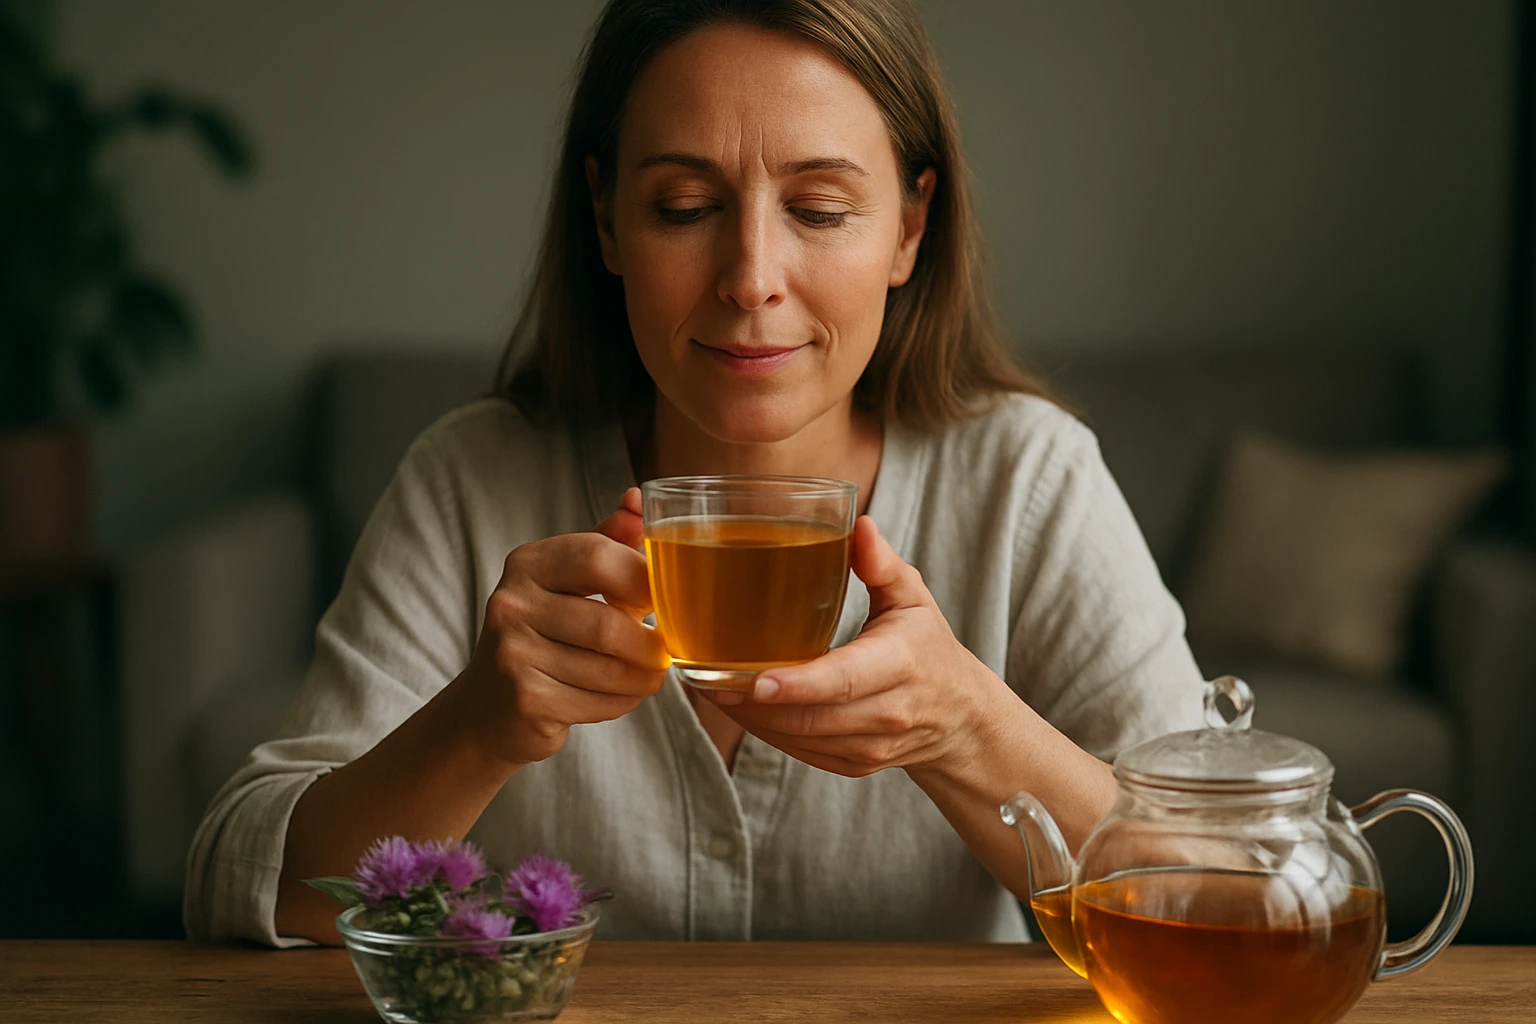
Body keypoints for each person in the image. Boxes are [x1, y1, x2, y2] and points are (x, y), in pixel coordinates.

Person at [185, 0, 1205, 946]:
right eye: (681, 206)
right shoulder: (474, 477)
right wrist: (475, 728)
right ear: (605, 219)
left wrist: (967, 727)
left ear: (909, 225)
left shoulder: (1030, 480)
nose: (752, 277)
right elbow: (244, 881)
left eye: (819, 207)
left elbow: (1230, 888)